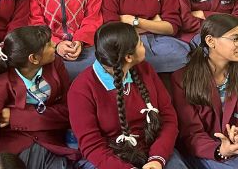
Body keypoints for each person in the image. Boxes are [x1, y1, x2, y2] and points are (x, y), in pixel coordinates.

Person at [68, 22, 187, 169]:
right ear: (129, 57)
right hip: (109, 160)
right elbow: (91, 145)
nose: (144, 45)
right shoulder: (81, 89)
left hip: (154, 151)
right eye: (140, 43)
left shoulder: (146, 70)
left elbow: (168, 118)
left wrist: (157, 158)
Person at [0, 26, 79, 167]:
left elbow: (70, 112)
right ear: (33, 58)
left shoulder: (55, 65)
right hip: (15, 147)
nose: (55, 44)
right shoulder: (1, 83)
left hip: (51, 142)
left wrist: (16, 117)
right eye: (48, 44)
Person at [171, 14, 238, 169]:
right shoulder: (182, 79)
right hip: (204, 153)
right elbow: (190, 133)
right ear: (210, 41)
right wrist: (220, 150)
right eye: (235, 39)